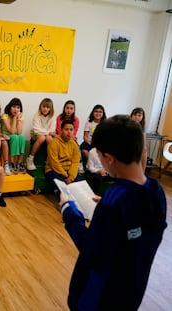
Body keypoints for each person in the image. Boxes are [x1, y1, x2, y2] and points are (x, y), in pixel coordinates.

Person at [59, 115, 167, 311]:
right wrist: (116, 213)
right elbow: (143, 232)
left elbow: (91, 250)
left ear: (108, 158)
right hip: (131, 294)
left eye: (100, 156)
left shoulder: (114, 200)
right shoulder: (155, 191)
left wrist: (69, 211)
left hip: (97, 299)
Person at [45, 119, 81, 196]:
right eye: (66, 129)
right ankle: (65, 205)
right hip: (54, 171)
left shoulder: (74, 145)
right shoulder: (54, 143)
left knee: (79, 187)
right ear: (61, 130)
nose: (69, 132)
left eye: (71, 129)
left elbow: (75, 162)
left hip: (69, 172)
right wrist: (65, 175)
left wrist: (71, 177)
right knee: (62, 189)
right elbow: (54, 163)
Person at [26, 98, 56, 171]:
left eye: (47, 107)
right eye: (44, 106)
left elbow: (52, 130)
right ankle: (30, 159)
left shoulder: (53, 116)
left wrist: (48, 133)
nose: (45, 109)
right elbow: (36, 130)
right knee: (42, 138)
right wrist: (48, 132)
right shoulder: (36, 115)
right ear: (40, 107)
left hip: (47, 135)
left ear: (50, 109)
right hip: (37, 135)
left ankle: (49, 161)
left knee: (49, 138)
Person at [1, 98, 26, 174]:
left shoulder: (21, 116)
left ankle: (19, 163)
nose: (16, 109)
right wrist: (15, 117)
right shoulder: (5, 116)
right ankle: (11, 163)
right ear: (10, 107)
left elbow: (19, 132)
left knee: (22, 137)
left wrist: (18, 119)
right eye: (14, 107)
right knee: (15, 137)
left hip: (15, 135)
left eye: (18, 107)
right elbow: (11, 131)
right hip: (6, 135)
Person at [130, 107, 147, 171]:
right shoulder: (127, 124)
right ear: (131, 115)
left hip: (137, 145)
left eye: (139, 115)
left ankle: (142, 172)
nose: (136, 117)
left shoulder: (142, 127)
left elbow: (144, 139)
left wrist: (144, 147)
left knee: (144, 150)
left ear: (142, 117)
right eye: (135, 115)